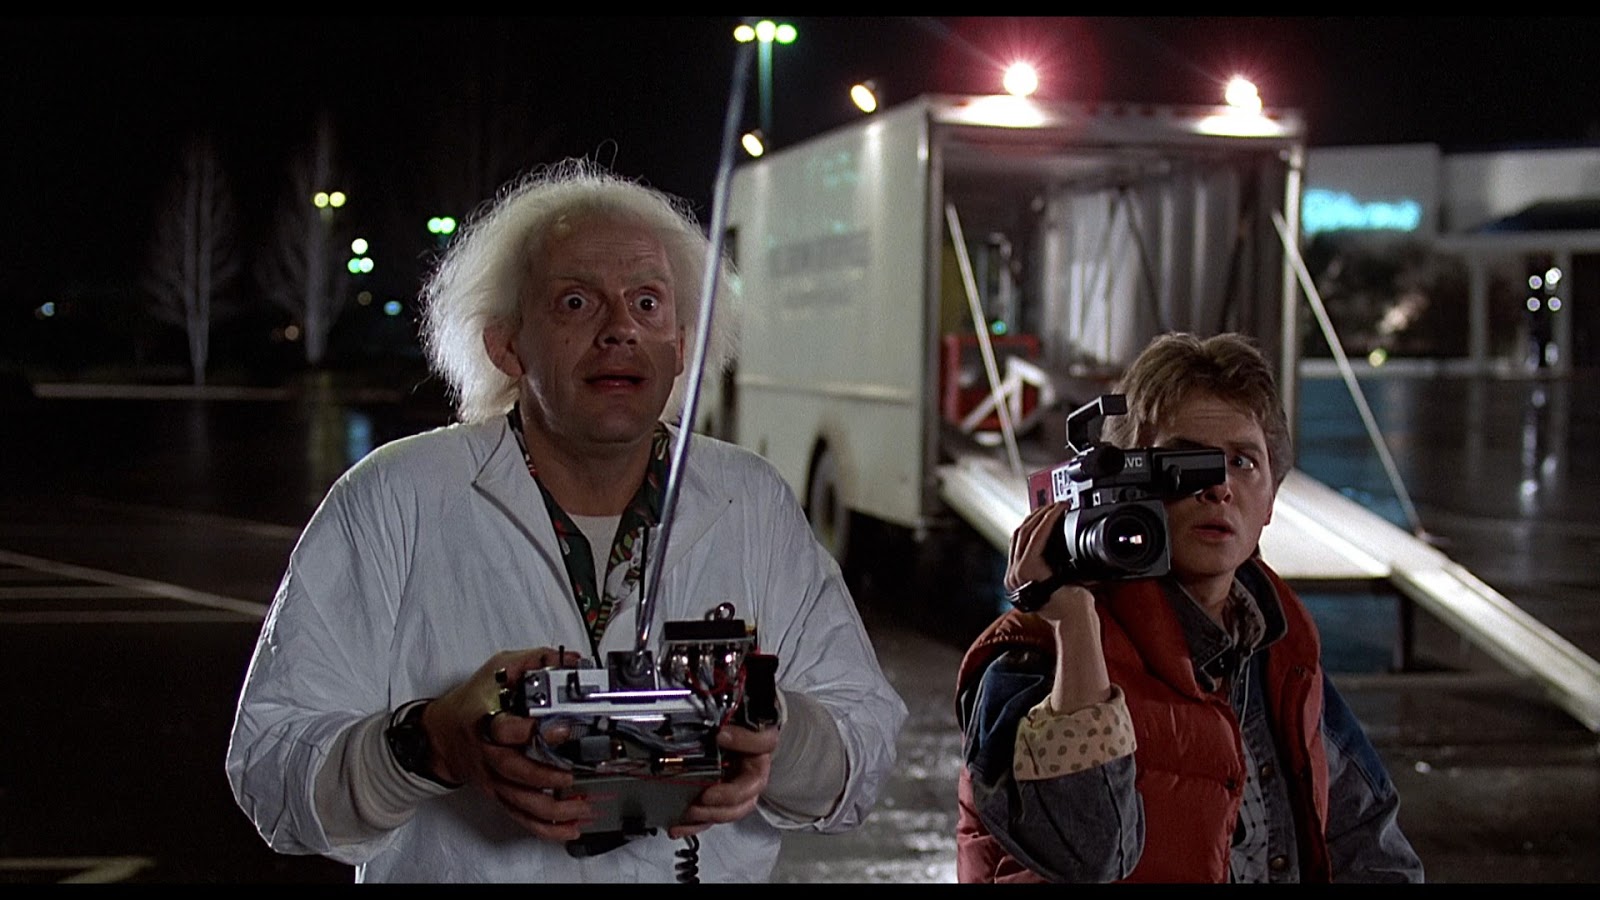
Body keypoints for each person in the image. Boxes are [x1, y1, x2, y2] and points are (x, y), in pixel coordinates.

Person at [225, 158, 908, 883]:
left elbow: (862, 760)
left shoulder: (754, 502)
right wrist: (431, 745)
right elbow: (270, 774)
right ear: (505, 343)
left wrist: (771, 735)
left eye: (648, 302)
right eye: (576, 302)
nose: (620, 330)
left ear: (682, 343)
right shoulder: (393, 499)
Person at [954, 331, 1425, 883]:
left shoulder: (1281, 650)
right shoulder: (1033, 654)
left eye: (1243, 462)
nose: (1218, 487)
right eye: (1185, 464)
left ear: (1271, 500)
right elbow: (1087, 853)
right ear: (1125, 484)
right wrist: (1075, 625)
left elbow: (1370, 844)